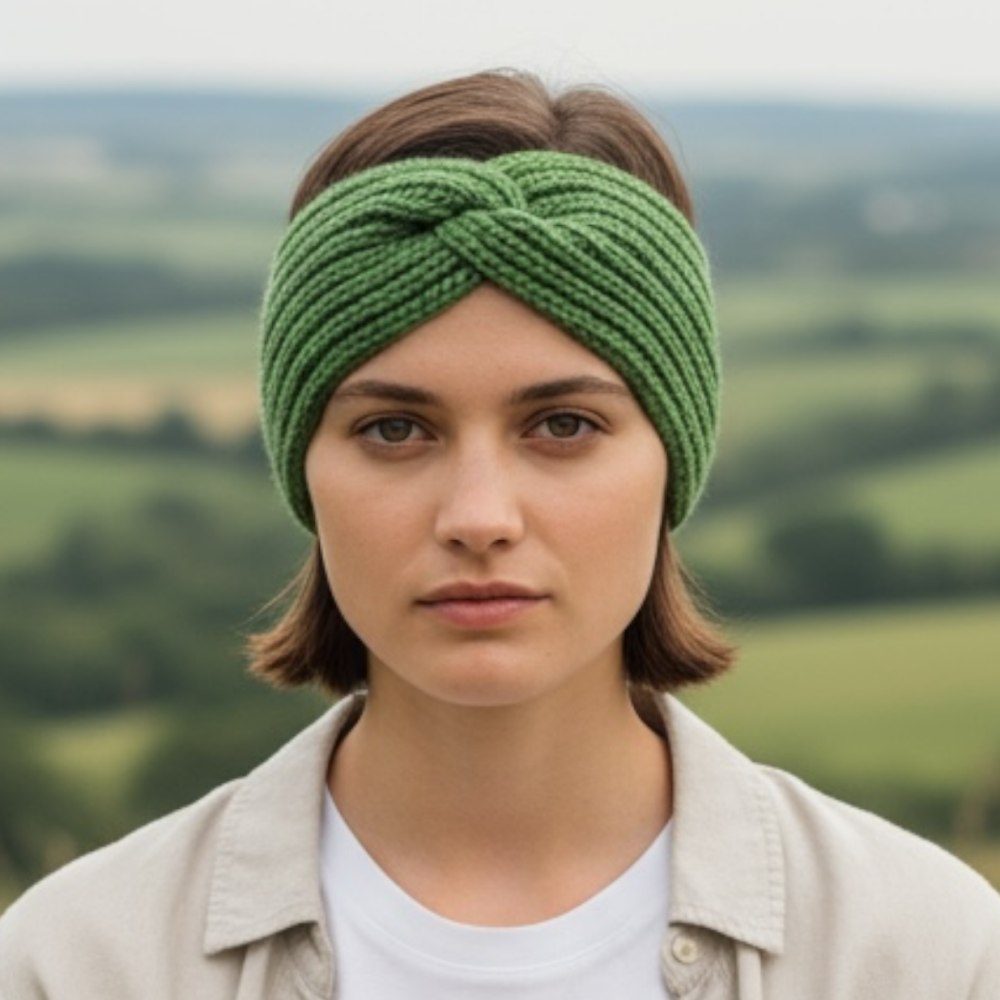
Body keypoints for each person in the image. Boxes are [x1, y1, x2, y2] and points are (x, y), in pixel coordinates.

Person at [1, 69, 998, 1000]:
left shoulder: (922, 952)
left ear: (674, 461)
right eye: (393, 428)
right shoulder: (82, 961)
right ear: (302, 469)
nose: (478, 516)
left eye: (562, 425)